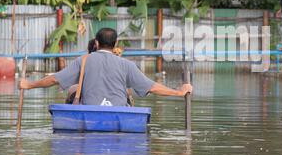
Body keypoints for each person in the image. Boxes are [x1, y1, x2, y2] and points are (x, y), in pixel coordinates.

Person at [19, 28, 193, 106]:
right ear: (115, 43)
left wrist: (29, 85)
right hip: (119, 114)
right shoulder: (126, 64)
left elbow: (55, 79)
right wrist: (178, 92)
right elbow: (152, 87)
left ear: (96, 43)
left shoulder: (84, 60)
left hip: (89, 114)